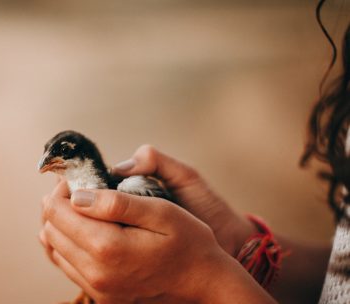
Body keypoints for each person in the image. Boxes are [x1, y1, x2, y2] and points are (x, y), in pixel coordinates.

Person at [38, 3, 349, 304]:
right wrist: (236, 244)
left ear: (84, 157)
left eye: (62, 153)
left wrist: (202, 282)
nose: (49, 163)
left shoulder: (134, 189)